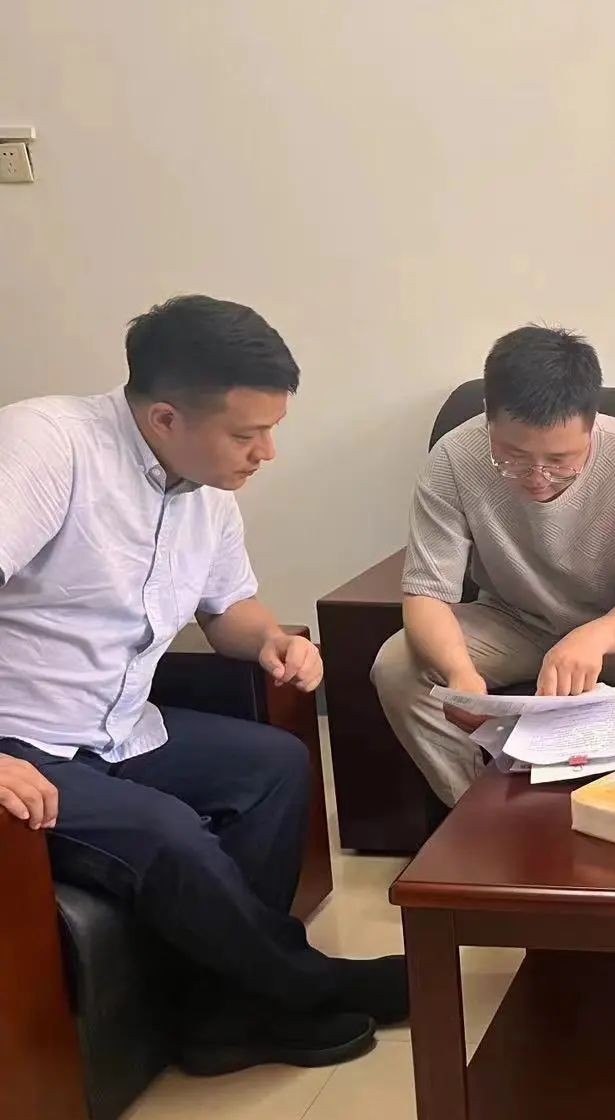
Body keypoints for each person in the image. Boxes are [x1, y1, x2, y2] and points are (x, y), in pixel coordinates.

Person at [0, 295, 407, 1075]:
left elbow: (227, 611)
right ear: (164, 418)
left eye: (272, 430)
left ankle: (221, 1017)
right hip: (22, 743)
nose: (267, 453)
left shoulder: (207, 487)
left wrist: (274, 642)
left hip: (121, 728)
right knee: (165, 833)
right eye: (247, 435)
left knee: (272, 765)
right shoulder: (45, 447)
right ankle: (303, 986)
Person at [373, 325, 615, 805]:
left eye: (561, 460)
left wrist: (591, 638)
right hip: (512, 619)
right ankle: (475, 813)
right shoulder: (453, 459)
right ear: (488, 419)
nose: (538, 478)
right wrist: (460, 674)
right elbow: (426, 594)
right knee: (397, 666)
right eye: (513, 457)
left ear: (591, 424)